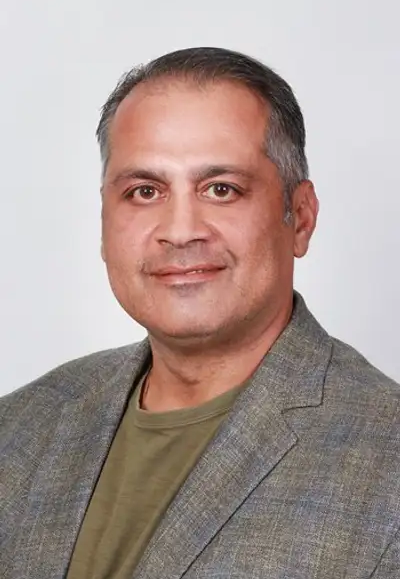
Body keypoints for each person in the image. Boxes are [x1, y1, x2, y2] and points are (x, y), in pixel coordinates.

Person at [1, 47, 399, 579]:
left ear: (300, 218)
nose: (180, 230)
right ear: (103, 223)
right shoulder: (19, 429)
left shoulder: (386, 459)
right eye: (145, 191)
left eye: (221, 189)